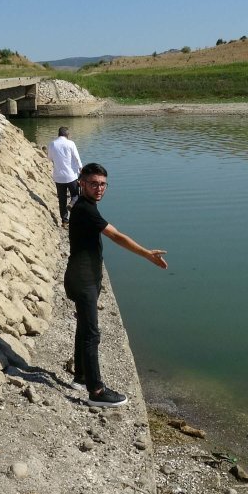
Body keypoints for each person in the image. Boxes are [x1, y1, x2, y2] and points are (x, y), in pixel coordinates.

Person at [65, 162, 168, 407]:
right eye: (93, 184)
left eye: (102, 184)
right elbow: (116, 235)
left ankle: (80, 376)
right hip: (83, 279)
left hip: (83, 275)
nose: (99, 188)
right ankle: (96, 392)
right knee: (91, 334)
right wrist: (146, 254)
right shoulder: (86, 210)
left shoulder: (83, 204)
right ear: (82, 183)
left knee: (84, 326)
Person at [47, 126, 83, 227]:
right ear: (67, 135)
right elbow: (76, 157)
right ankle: (72, 205)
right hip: (71, 176)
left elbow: (49, 158)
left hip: (58, 177)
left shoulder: (52, 143)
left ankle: (64, 221)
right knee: (75, 196)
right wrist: (81, 168)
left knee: (62, 199)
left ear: (58, 134)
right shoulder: (70, 143)